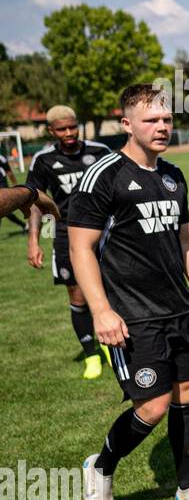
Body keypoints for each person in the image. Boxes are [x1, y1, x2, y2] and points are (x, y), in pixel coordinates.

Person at [68, 84, 189, 500]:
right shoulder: (104, 175)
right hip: (133, 314)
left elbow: (187, 239)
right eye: (151, 120)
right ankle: (100, 466)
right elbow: (81, 247)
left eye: (167, 119)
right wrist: (101, 309)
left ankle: (188, 485)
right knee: (152, 406)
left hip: (179, 309)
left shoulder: (174, 175)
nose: (162, 127)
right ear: (127, 124)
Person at [24, 106, 115, 379]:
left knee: (111, 288)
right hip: (66, 234)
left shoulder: (100, 151)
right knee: (77, 295)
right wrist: (33, 240)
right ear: (51, 131)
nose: (69, 133)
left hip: (103, 232)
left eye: (73, 127)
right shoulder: (43, 160)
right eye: (62, 129)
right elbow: (34, 203)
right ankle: (91, 356)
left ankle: (113, 344)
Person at [0, 145, 30, 230]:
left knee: (4, 209)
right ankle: (24, 225)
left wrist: (15, 185)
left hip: (2, 185)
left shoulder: (1, 158)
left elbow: (9, 172)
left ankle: (25, 225)